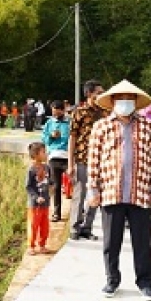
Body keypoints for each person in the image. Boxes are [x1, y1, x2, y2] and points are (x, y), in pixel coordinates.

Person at [88, 80, 151, 301]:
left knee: (142, 242)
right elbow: (94, 159)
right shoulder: (101, 127)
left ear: (136, 102)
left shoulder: (148, 126)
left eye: (129, 98)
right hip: (111, 191)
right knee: (111, 242)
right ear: (112, 102)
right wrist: (93, 188)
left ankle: (145, 283)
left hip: (140, 192)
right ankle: (112, 280)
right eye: (120, 98)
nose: (125, 102)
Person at [67, 80, 105, 241]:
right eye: (99, 93)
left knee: (96, 194)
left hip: (101, 160)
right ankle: (75, 228)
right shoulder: (79, 112)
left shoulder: (105, 112)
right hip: (82, 159)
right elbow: (72, 137)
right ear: (89, 94)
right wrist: (70, 164)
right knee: (80, 194)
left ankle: (87, 227)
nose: (101, 95)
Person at [42, 100, 70, 223]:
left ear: (62, 110)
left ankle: (78, 212)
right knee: (56, 186)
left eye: (57, 110)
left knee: (76, 184)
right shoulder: (49, 123)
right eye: (53, 111)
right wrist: (51, 136)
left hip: (68, 156)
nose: (55, 113)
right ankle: (56, 212)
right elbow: (44, 139)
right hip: (54, 156)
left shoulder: (69, 122)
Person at [26, 142, 51, 255]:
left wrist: (53, 185)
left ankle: (42, 244)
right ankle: (31, 246)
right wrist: (36, 198)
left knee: (45, 225)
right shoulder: (31, 170)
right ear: (36, 155)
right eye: (43, 152)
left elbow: (49, 181)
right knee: (33, 225)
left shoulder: (47, 167)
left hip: (45, 202)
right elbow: (28, 187)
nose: (45, 154)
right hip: (35, 205)